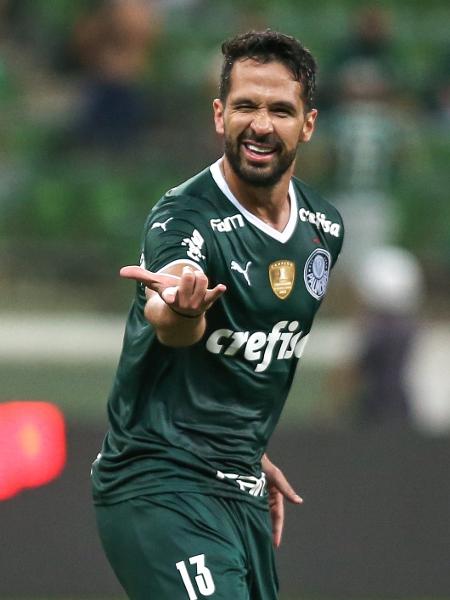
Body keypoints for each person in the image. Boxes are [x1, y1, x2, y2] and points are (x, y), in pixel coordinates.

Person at [91, 30, 344, 599]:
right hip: (158, 484)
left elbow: (243, 360)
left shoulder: (324, 229)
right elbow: (172, 315)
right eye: (245, 106)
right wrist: (181, 305)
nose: (260, 124)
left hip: (241, 490)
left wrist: (248, 450)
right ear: (218, 115)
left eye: (280, 109)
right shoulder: (182, 218)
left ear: (307, 124)